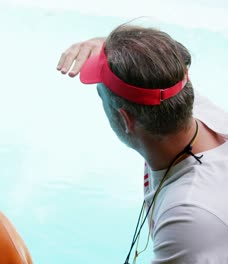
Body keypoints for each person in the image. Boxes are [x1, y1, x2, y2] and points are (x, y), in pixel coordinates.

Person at [57, 24, 228, 263]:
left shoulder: (188, 216)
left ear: (126, 119)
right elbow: (154, 64)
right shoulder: (178, 99)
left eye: (101, 96)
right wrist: (106, 44)